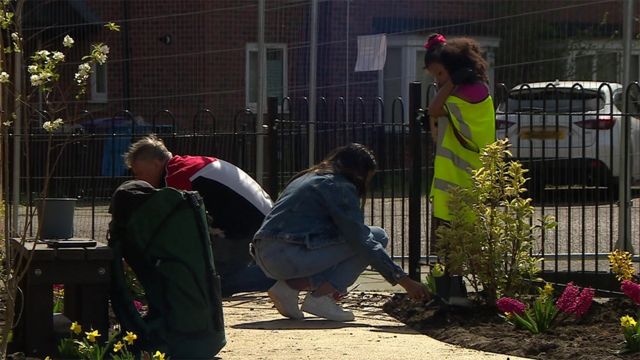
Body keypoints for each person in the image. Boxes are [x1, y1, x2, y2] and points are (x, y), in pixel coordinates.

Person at [252, 143, 429, 322]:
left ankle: (288, 289)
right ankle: (321, 297)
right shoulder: (338, 185)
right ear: (359, 172)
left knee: (358, 241)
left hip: (266, 251)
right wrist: (404, 281)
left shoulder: (308, 177)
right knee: (375, 237)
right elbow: (361, 240)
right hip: (289, 252)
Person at [122, 135, 276, 297]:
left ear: (156, 163)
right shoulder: (187, 165)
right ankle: (273, 271)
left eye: (140, 173)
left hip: (248, 229)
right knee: (208, 276)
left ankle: (278, 276)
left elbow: (174, 225)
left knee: (216, 284)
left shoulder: (176, 175)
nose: (138, 179)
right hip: (253, 222)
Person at [423, 34, 496, 299]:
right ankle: (464, 294)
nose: (437, 81)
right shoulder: (467, 91)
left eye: (440, 74)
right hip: (458, 182)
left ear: (454, 71)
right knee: (458, 242)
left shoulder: (467, 95)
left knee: (455, 242)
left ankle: (457, 294)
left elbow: (434, 109)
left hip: (459, 182)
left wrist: (451, 83)